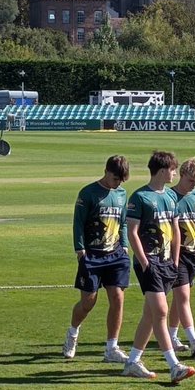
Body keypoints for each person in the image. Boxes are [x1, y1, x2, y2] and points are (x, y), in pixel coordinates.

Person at [122, 151, 195, 383]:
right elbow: (132, 232)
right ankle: (174, 365)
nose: (175, 173)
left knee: (149, 314)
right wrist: (144, 262)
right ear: (163, 170)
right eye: (173, 169)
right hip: (149, 263)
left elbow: (175, 230)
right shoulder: (140, 197)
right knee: (161, 311)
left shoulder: (170, 198)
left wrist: (174, 260)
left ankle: (133, 361)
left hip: (166, 263)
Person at [63, 155, 132, 364]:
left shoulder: (121, 194)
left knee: (118, 298)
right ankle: (72, 333)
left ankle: (112, 347)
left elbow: (123, 223)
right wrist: (80, 249)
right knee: (88, 302)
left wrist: (126, 245)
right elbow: (78, 222)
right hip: (92, 255)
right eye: (115, 178)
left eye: (121, 180)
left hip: (116, 254)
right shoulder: (88, 193)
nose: (118, 183)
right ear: (106, 172)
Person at [167, 157, 195, 358]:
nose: (193, 185)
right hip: (176, 254)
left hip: (193, 254)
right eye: (191, 180)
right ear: (182, 175)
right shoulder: (169, 196)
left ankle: (172, 336)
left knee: (179, 298)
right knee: (183, 296)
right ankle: (193, 340)